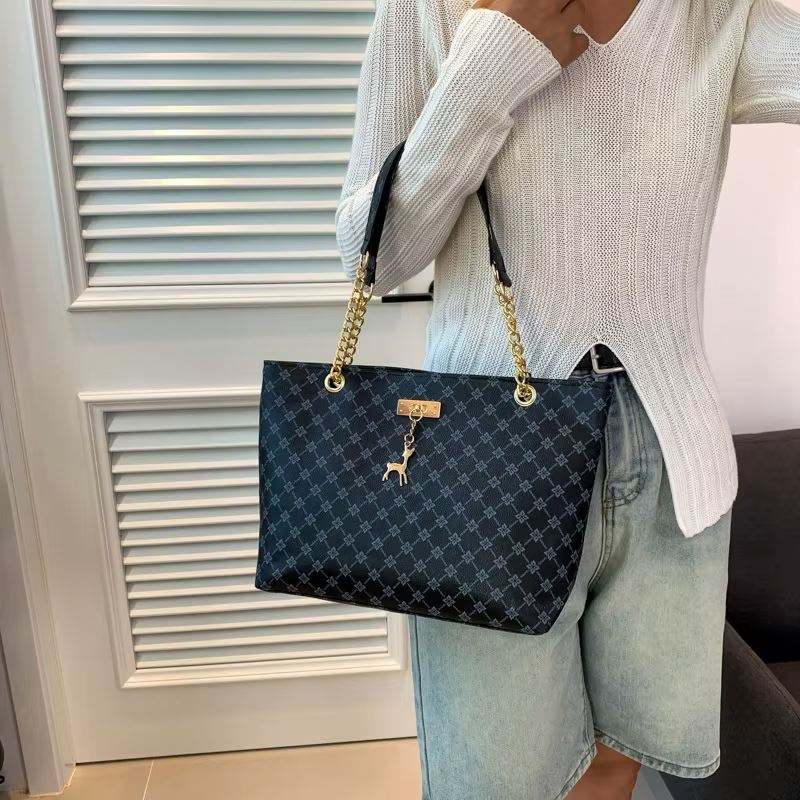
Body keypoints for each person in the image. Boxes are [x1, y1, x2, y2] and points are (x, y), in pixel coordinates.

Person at [333, 0, 800, 797]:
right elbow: (371, 257)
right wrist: (490, 65)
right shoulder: (427, 9)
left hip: (673, 464)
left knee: (620, 760)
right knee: (499, 781)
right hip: (484, 470)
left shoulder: (710, 15)